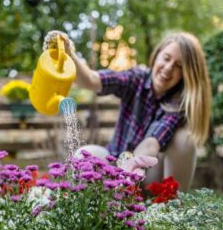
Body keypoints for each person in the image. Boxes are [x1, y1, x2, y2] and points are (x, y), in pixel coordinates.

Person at [48, 31, 212, 192]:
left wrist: (126, 180)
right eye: (167, 58)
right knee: (86, 154)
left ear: (185, 74)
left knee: (185, 139)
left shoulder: (179, 104)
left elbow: (150, 144)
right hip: (116, 161)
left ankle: (171, 208)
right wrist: (68, 54)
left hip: (148, 175)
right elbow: (92, 80)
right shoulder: (137, 78)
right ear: (157, 56)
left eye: (179, 66)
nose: (168, 68)